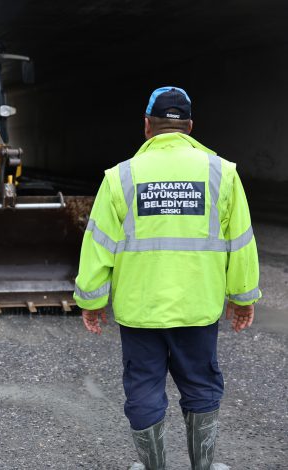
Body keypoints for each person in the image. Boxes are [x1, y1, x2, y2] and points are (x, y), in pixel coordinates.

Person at [73, 86, 260, 470]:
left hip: (141, 311)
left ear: (146, 126)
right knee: (201, 386)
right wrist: (242, 298)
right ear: (190, 126)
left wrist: (91, 302)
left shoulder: (120, 177)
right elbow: (241, 244)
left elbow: (97, 246)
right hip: (198, 308)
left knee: (143, 388)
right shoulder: (222, 174)